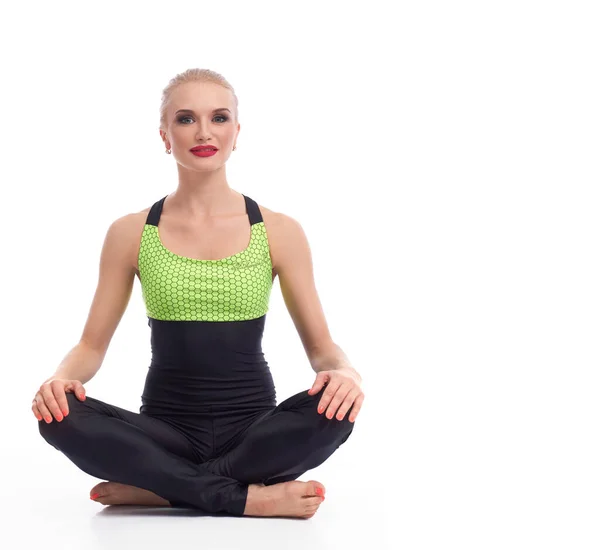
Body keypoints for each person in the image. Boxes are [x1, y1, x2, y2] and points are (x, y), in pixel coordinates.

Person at [33, 68, 364, 519]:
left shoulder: (279, 232)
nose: (204, 132)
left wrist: (347, 374)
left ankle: (162, 486)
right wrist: (59, 380)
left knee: (336, 410)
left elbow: (323, 349)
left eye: (219, 118)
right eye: (186, 119)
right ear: (165, 136)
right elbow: (91, 345)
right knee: (60, 415)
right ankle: (242, 496)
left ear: (237, 133)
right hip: (164, 430)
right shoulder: (130, 233)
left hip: (254, 432)